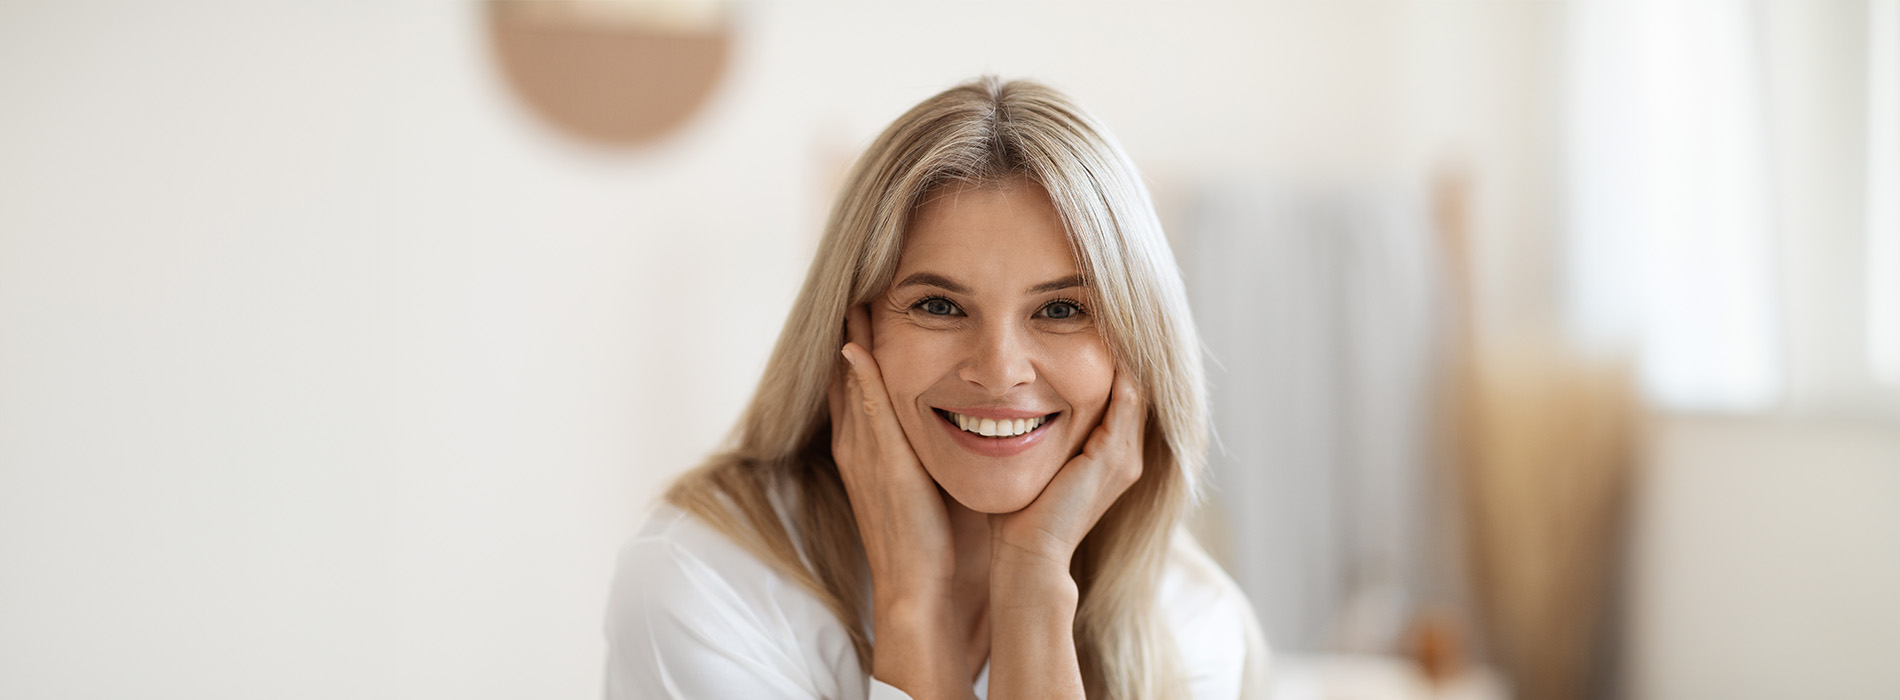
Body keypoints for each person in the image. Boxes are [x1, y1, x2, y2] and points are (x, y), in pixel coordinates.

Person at [604, 76, 1269, 699]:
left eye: (1061, 310)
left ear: (1137, 347)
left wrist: (1033, 589)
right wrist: (910, 605)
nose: (1000, 370)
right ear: (851, 330)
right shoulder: (706, 584)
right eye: (939, 306)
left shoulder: (1183, 625)